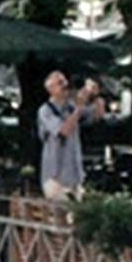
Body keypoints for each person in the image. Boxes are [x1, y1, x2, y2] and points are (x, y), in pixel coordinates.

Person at [37, 70, 103, 201]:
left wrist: (95, 95)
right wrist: (79, 107)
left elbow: (98, 115)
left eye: (65, 81)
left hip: (75, 176)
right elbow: (64, 131)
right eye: (60, 83)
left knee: (77, 212)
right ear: (50, 89)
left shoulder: (71, 106)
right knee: (62, 212)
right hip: (55, 178)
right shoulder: (45, 111)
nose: (65, 85)